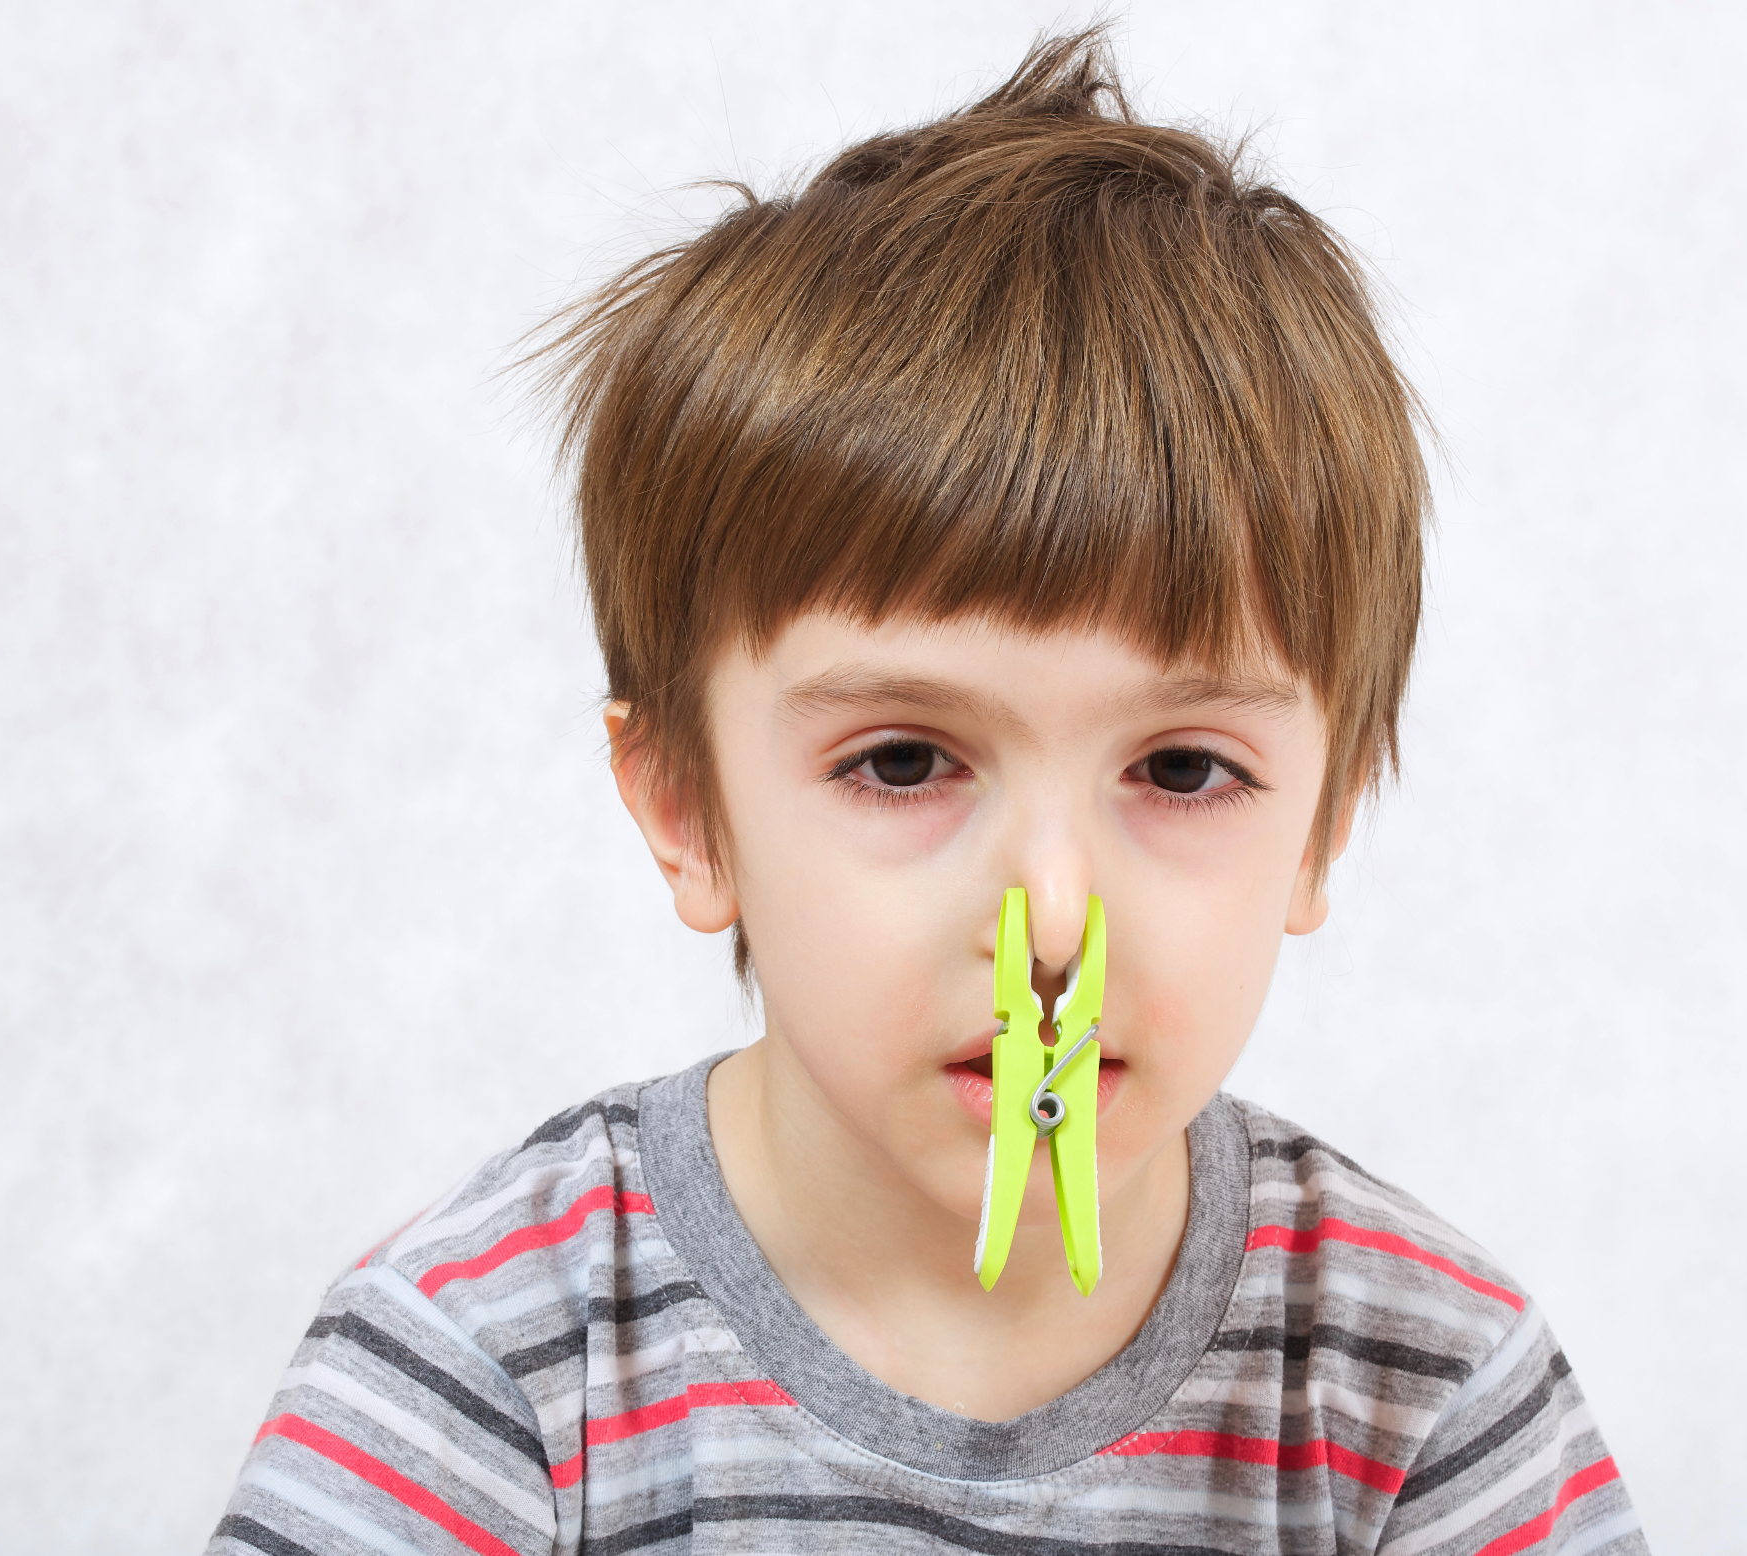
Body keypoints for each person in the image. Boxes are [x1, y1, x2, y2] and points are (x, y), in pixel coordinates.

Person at [209, 28, 1646, 1556]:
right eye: (902, 762)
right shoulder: (479, 1371)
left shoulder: (1421, 1397)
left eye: (1180, 769)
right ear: (689, 808)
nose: (1054, 921)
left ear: (1327, 822)